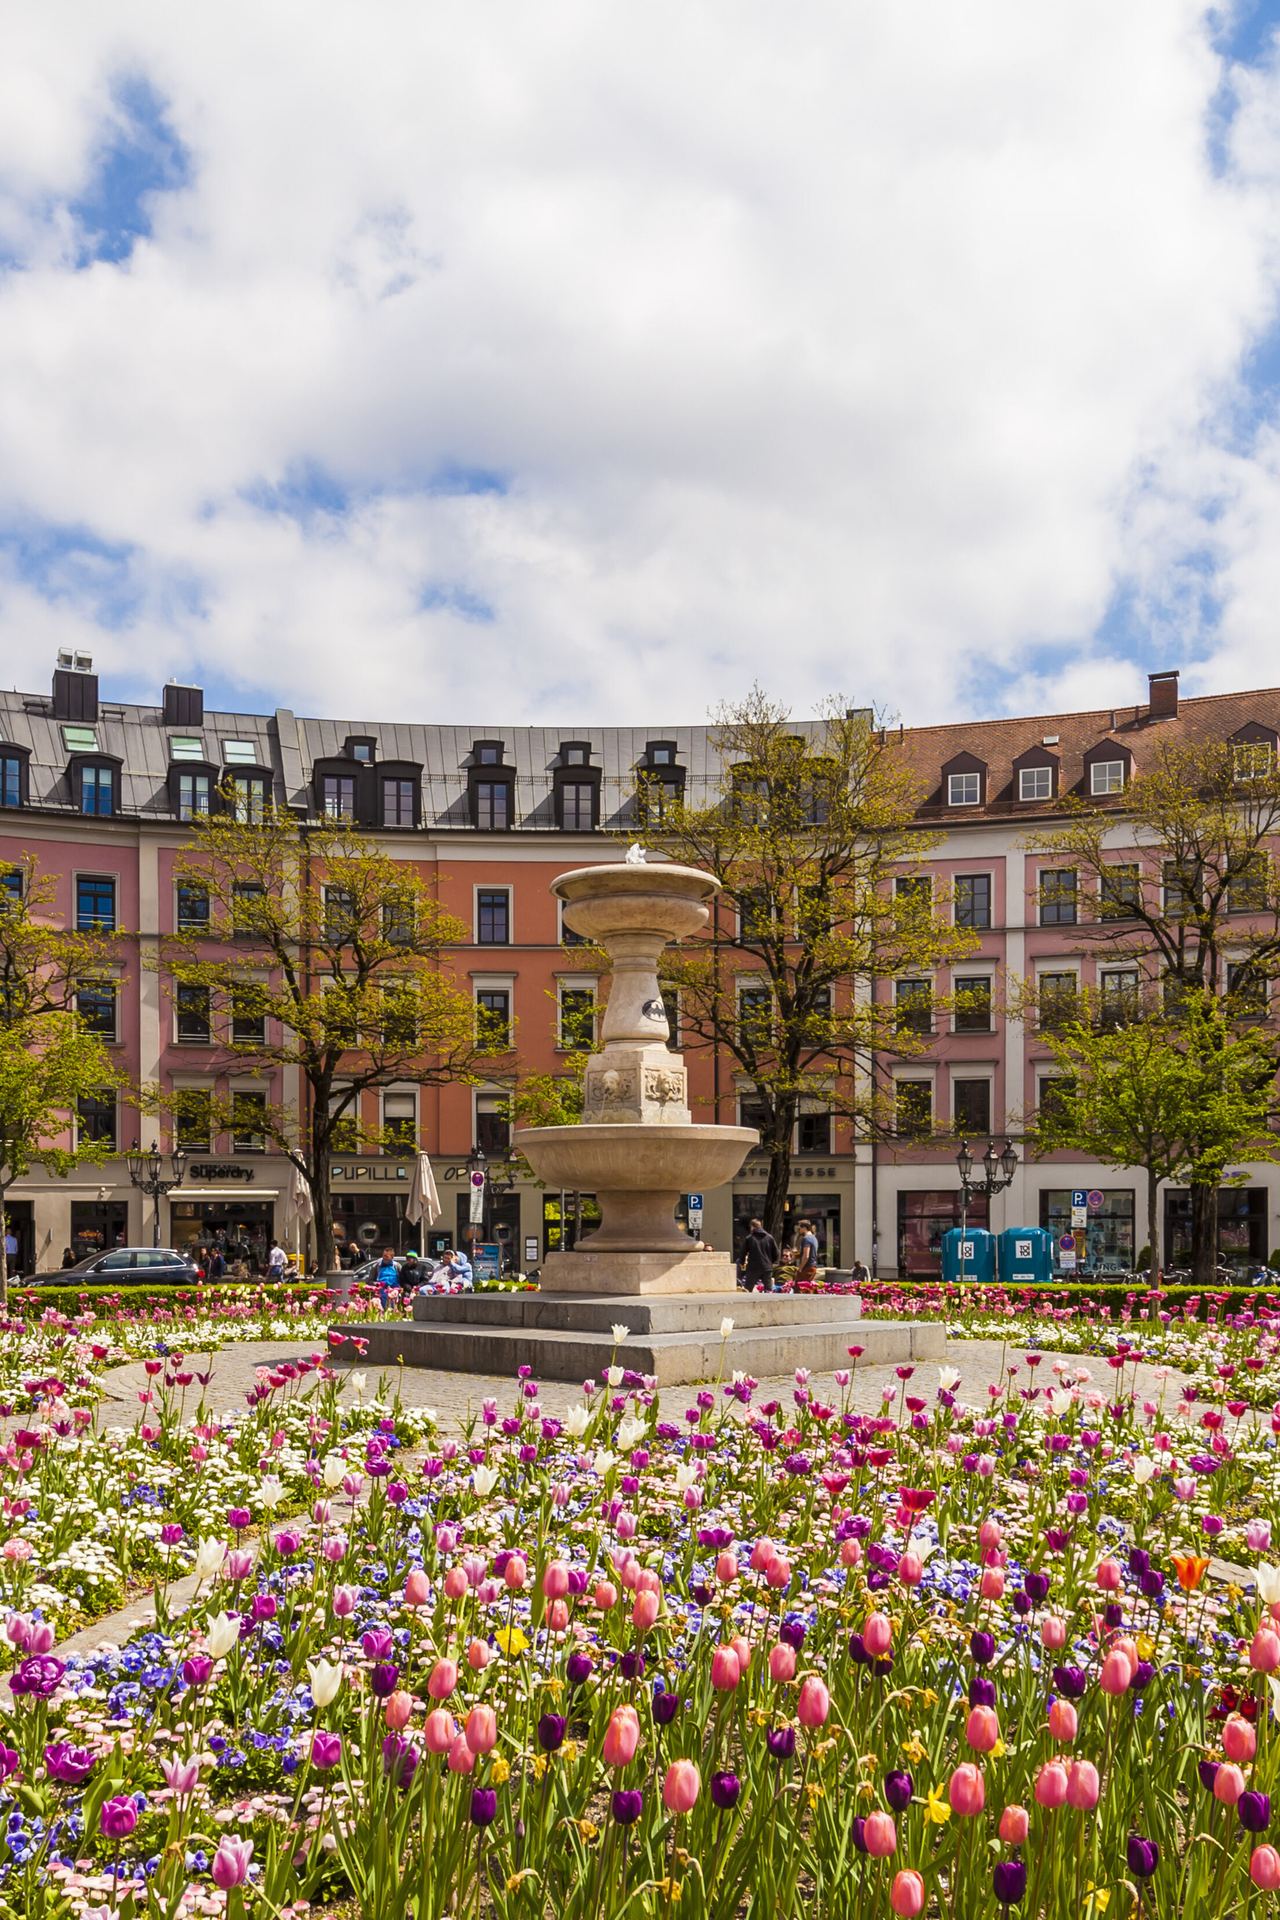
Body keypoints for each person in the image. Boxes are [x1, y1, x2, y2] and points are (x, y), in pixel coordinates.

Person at [738, 1217, 779, 1292]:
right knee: (768, 1290)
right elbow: (776, 1253)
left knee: (748, 1289)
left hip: (753, 1267)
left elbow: (743, 1252)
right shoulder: (770, 1238)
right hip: (767, 1267)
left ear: (752, 1227)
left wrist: (742, 1262)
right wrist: (771, 1262)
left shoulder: (749, 1238)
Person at [795, 1217, 820, 1284]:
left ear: (804, 1228)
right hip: (812, 1266)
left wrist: (800, 1268)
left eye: (799, 1228)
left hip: (807, 1268)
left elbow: (806, 1256)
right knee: (807, 1287)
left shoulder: (806, 1238)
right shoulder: (814, 1238)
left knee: (799, 1287)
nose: (799, 1230)